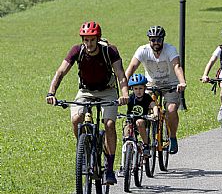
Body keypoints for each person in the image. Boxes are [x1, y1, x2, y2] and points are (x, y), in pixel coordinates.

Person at [46, 21, 129, 185]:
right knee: (76, 119)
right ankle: (84, 152)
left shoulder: (109, 51)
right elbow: (61, 71)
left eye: (92, 40)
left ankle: (110, 168)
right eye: (86, 40)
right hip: (85, 91)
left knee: (110, 123)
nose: (89, 44)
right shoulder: (77, 51)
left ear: (98, 39)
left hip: (107, 91)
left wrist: (124, 94)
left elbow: (120, 74)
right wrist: (51, 93)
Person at [125, 25, 187, 154]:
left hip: (171, 84)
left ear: (163, 39)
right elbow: (132, 67)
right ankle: (145, 137)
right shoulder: (143, 50)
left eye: (158, 39)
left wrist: (182, 82)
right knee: (143, 109)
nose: (156, 43)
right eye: (153, 40)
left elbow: (177, 66)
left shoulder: (170, 50)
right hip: (151, 84)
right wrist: (124, 84)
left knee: (171, 110)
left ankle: (172, 137)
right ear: (149, 40)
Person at [126, 73, 158, 157]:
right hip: (130, 120)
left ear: (145, 88)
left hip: (143, 120)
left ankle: (146, 145)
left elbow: (153, 105)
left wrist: (155, 113)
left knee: (139, 122)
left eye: (140, 88)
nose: (138, 91)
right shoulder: (130, 98)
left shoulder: (147, 97)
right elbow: (121, 102)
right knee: (126, 136)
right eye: (136, 88)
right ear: (132, 89)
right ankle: (126, 161)